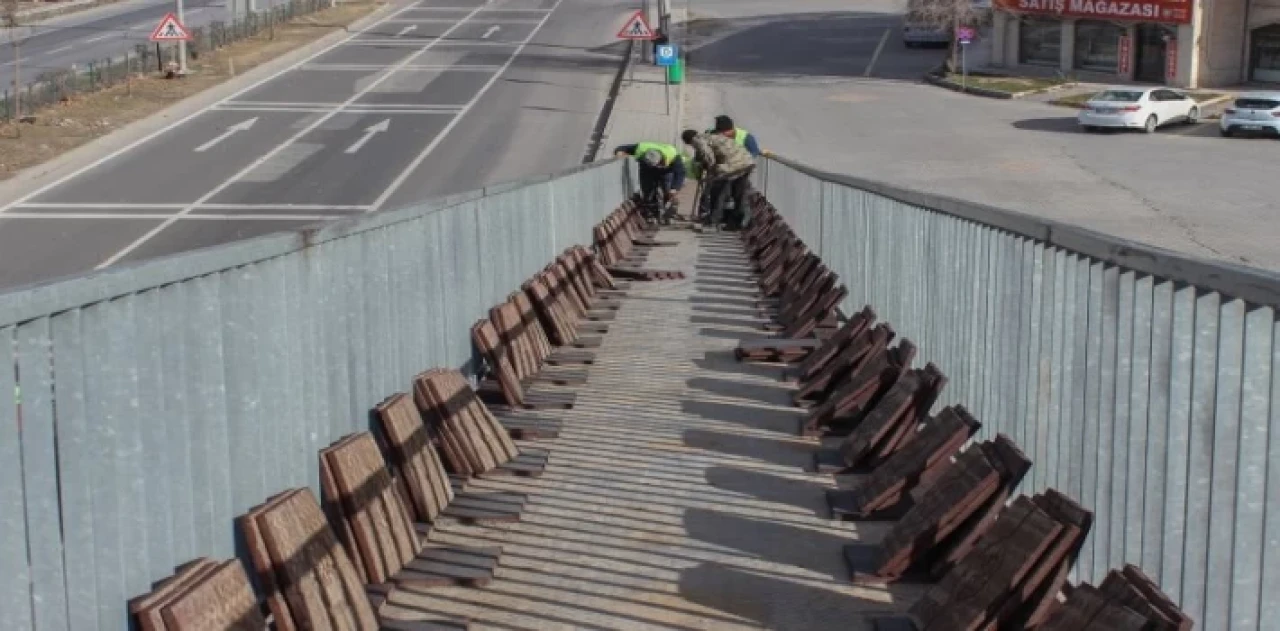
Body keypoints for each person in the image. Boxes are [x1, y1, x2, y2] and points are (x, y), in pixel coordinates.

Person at [681, 128, 754, 230]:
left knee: (718, 191)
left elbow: (709, 157)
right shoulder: (712, 136)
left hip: (733, 164)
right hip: (746, 162)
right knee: (738, 193)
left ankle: (713, 221)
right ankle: (740, 223)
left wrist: (711, 172)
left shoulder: (698, 140)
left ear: (689, 140)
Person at [613, 142, 686, 212]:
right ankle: (651, 210)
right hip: (647, 170)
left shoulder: (672, 155)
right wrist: (618, 152)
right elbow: (621, 148)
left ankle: (668, 209)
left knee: (668, 190)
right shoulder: (641, 148)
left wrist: (675, 188)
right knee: (647, 191)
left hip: (666, 171)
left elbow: (680, 173)